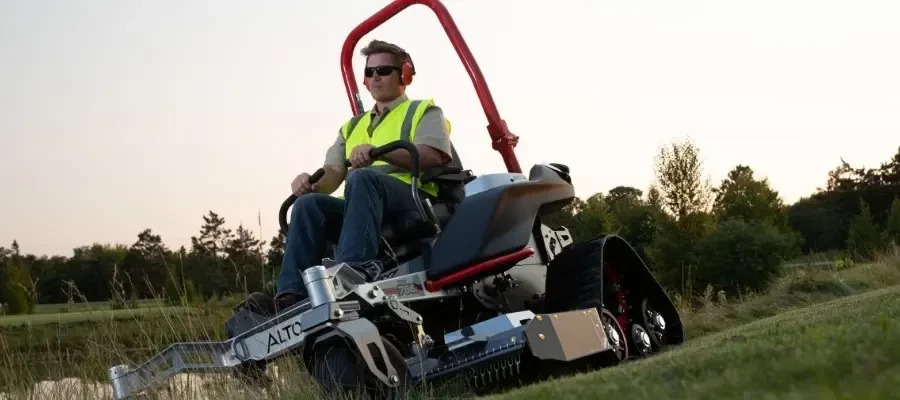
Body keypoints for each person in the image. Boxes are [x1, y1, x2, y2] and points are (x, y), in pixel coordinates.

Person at [274, 39, 453, 310]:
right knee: (307, 205)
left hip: (413, 201)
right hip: (363, 206)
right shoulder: (350, 128)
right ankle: (292, 294)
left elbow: (434, 154)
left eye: (383, 71)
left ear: (404, 75)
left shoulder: (424, 111)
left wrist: (380, 153)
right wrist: (309, 185)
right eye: (370, 73)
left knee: (361, 178)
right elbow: (333, 173)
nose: (375, 78)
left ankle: (352, 272)